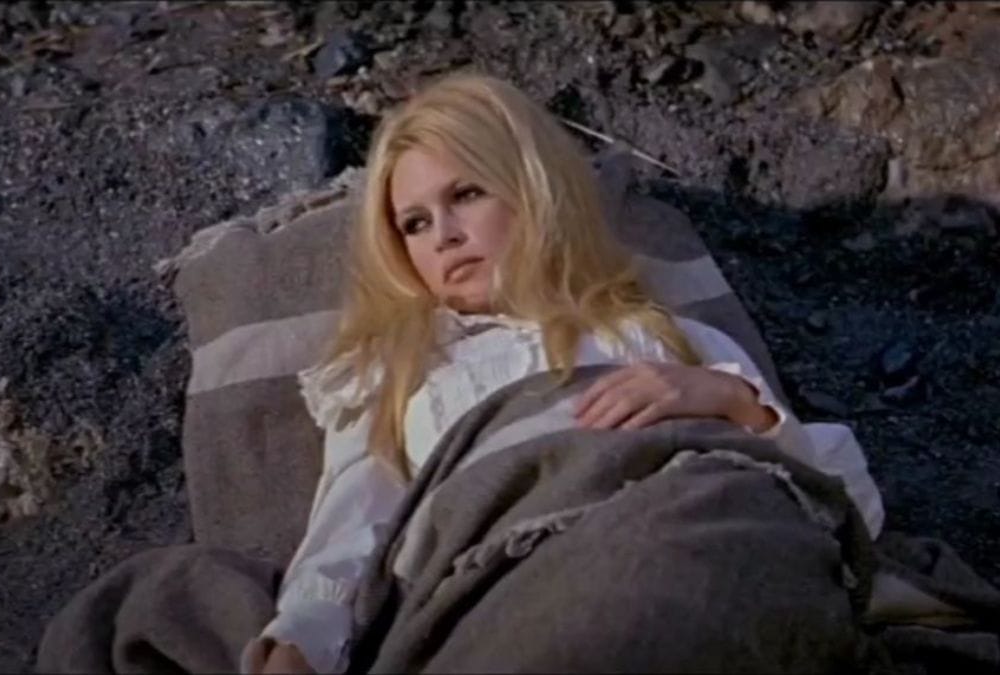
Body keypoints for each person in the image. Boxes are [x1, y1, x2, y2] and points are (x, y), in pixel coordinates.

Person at [241, 72, 884, 674]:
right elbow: (351, 531)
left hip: (698, 532)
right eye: (415, 224)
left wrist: (733, 400)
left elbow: (849, 508)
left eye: (466, 194)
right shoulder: (400, 372)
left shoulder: (664, 337)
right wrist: (298, 645)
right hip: (516, 577)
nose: (443, 236)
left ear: (532, 189)